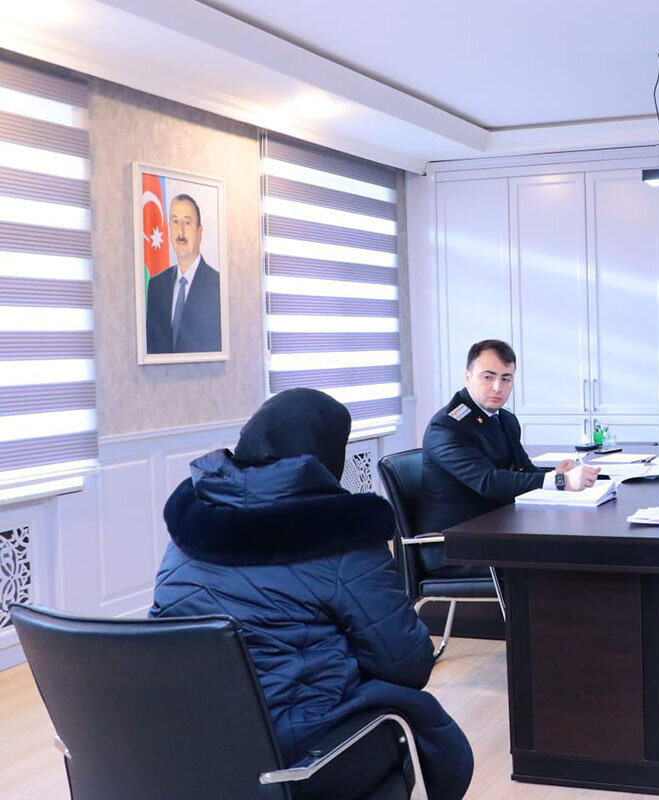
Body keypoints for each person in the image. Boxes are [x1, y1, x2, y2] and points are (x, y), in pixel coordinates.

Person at [150, 388, 472, 800]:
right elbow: (408, 664)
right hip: (299, 752)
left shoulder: (191, 525)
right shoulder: (344, 536)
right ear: (327, 456)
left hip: (181, 744)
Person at [420, 339, 600, 551]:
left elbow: (523, 469)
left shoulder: (505, 419)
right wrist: (561, 481)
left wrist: (556, 473)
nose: (498, 387)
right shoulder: (446, 427)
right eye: (488, 377)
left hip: (501, 524)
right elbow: (488, 482)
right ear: (468, 378)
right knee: (567, 549)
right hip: (457, 541)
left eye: (506, 379)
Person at [145, 194, 222, 354]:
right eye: (175, 222)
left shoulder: (218, 285)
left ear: (199, 232)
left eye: (187, 223)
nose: (180, 232)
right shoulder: (156, 286)